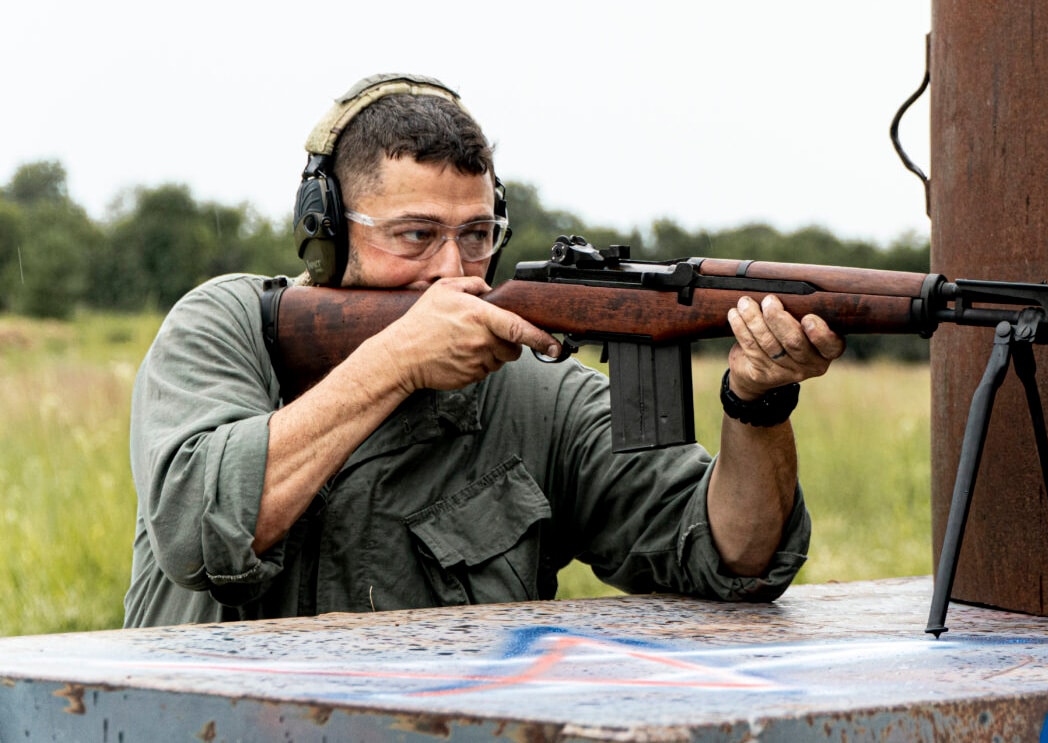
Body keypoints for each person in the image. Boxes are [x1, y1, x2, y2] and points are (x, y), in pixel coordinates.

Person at [123, 73, 845, 627]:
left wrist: (757, 402)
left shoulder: (538, 393)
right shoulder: (229, 325)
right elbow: (197, 529)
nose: (452, 270)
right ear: (329, 229)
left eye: (475, 235)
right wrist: (397, 359)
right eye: (415, 235)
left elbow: (736, 554)